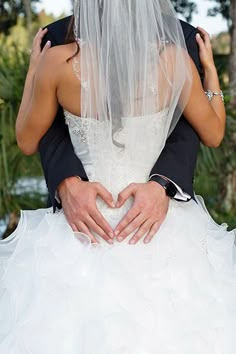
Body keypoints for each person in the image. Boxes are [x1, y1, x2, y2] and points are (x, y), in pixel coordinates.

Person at [0, 1, 235, 353]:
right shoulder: (174, 60)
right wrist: (211, 76)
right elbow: (214, 133)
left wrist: (35, 70)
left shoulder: (57, 62)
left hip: (83, 231)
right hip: (158, 232)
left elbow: (26, 139)